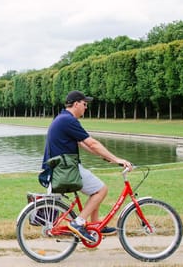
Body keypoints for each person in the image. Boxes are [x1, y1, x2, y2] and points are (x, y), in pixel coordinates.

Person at [40, 91, 133, 243]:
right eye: (84, 104)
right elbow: (92, 143)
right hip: (65, 169)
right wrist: (116, 159)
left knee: (95, 189)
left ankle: (97, 225)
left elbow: (83, 144)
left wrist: (106, 157)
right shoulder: (68, 121)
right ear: (76, 104)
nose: (86, 108)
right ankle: (79, 222)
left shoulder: (63, 118)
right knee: (101, 190)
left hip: (62, 167)